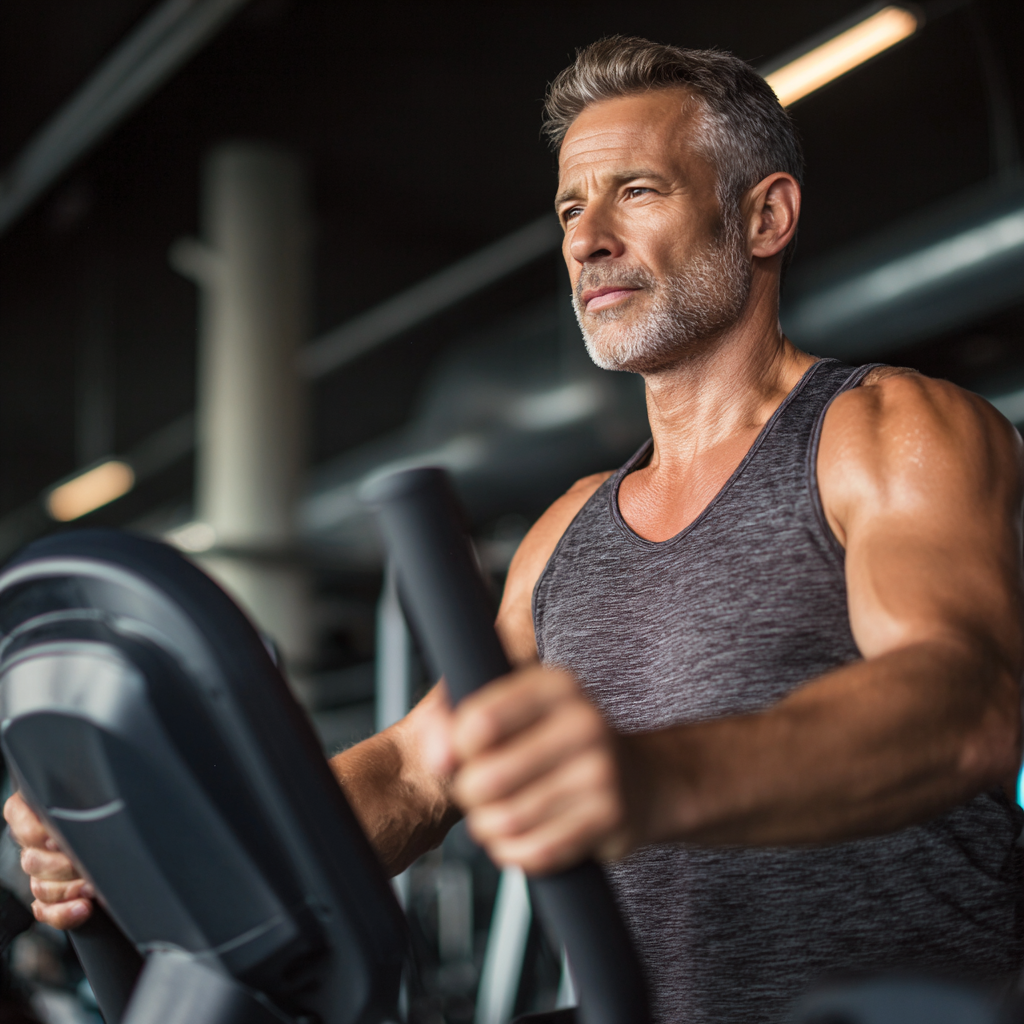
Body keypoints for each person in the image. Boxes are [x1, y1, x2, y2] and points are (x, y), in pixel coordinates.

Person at [7, 37, 1024, 1024]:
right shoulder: (566, 533)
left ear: (763, 215)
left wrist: (648, 778)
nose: (585, 239)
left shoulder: (884, 428)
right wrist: (152, 847)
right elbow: (417, 768)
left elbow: (966, 699)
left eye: (636, 190)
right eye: (571, 208)